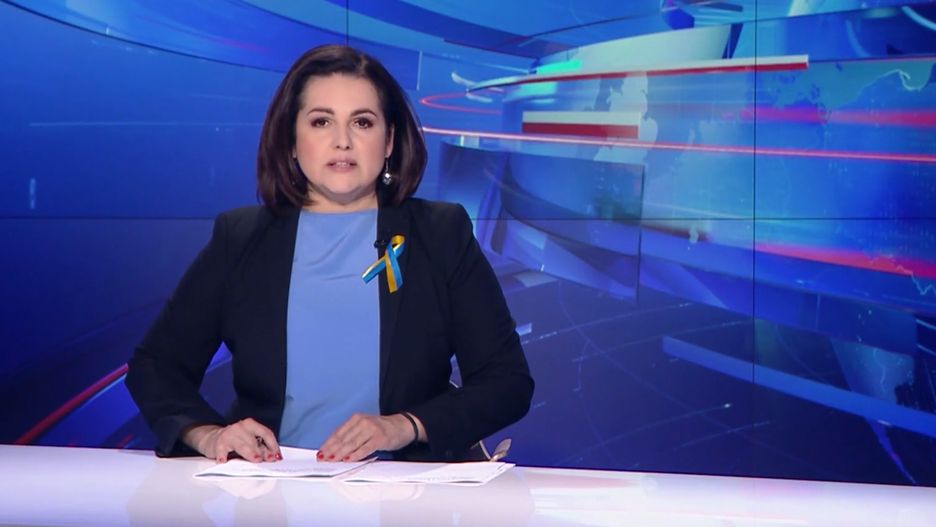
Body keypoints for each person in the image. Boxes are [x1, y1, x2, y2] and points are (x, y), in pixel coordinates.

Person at [125, 44, 534, 464]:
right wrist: (208, 435)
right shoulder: (241, 238)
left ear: (389, 141)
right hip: (272, 486)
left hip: (406, 489)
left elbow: (507, 382)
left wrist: (406, 425)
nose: (342, 142)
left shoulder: (440, 233)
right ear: (291, 140)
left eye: (362, 122)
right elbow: (156, 365)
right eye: (321, 122)